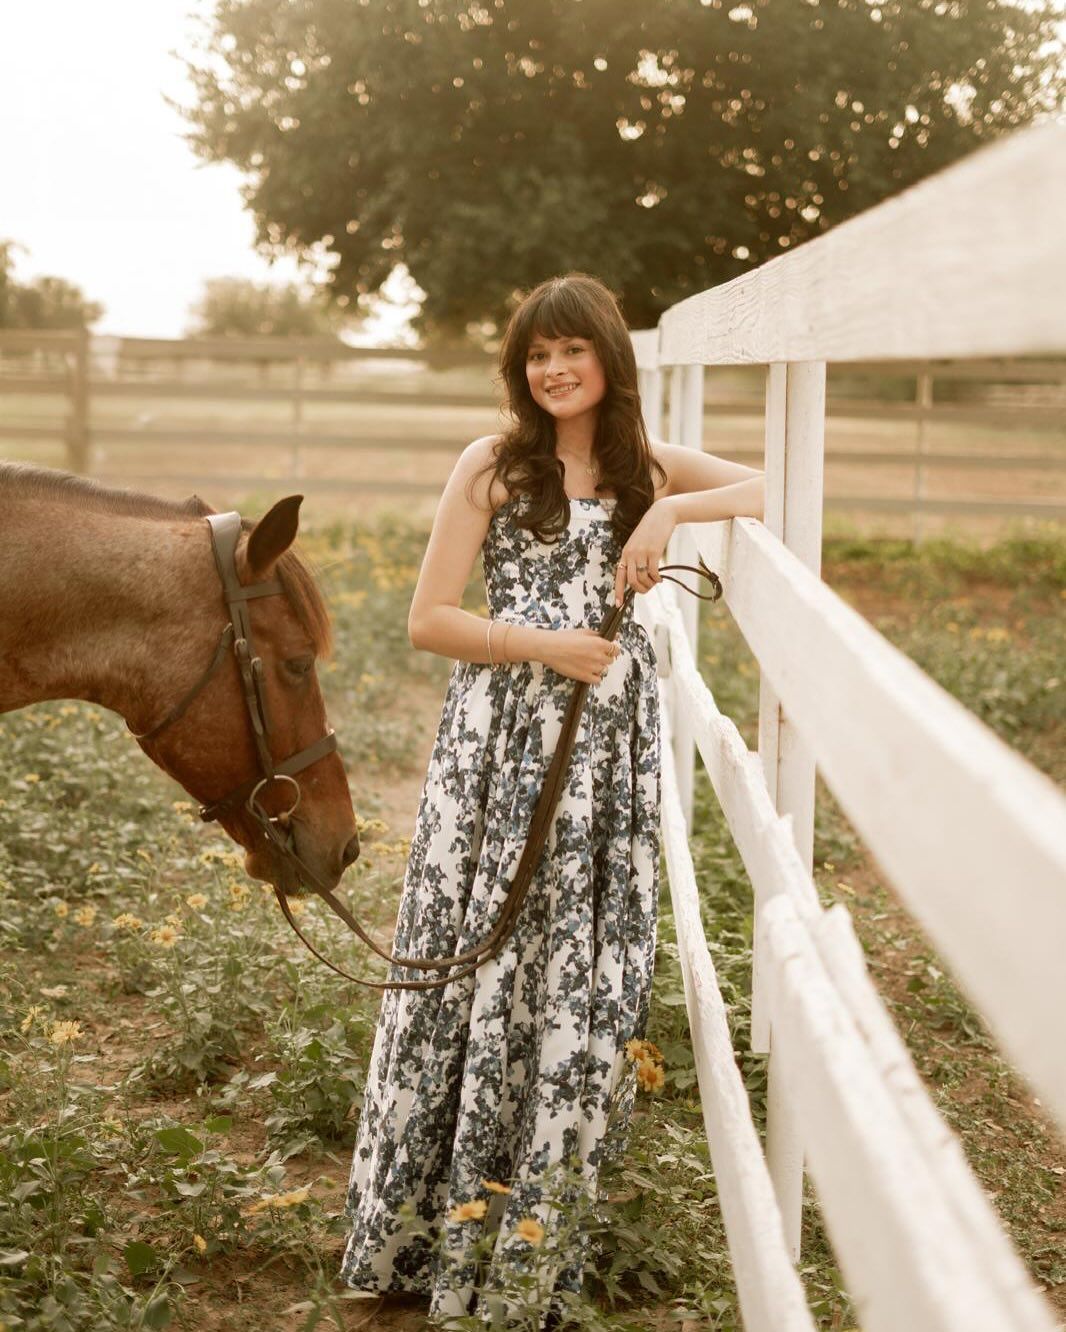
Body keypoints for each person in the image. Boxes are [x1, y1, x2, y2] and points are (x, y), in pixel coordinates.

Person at [340, 272, 764, 1326]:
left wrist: (667, 507)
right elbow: (427, 618)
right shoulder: (493, 464)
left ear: (608, 359)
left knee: (572, 964)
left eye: (572, 349)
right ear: (520, 372)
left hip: (606, 753)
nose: (554, 369)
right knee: (477, 953)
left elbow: (766, 488)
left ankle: (527, 1245)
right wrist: (544, 646)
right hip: (497, 745)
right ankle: (417, 1232)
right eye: (536, 355)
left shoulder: (643, 467)